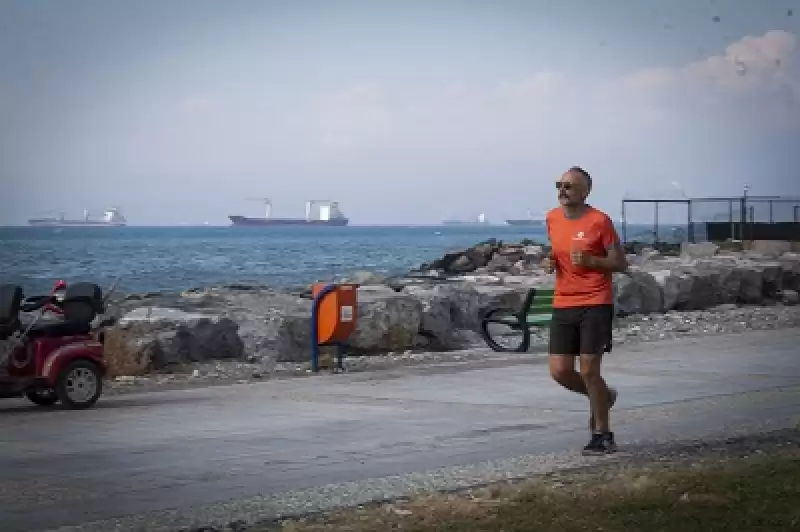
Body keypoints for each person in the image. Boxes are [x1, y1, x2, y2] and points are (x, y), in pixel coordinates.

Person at [542, 166, 628, 455]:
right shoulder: (552, 218)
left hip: (595, 302)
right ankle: (604, 396)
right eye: (560, 185)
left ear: (585, 191)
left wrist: (592, 260)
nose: (562, 191)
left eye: (569, 186)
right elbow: (556, 251)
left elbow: (620, 263)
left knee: (590, 370)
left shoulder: (600, 221)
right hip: (564, 302)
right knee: (560, 371)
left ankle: (603, 434)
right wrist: (550, 262)